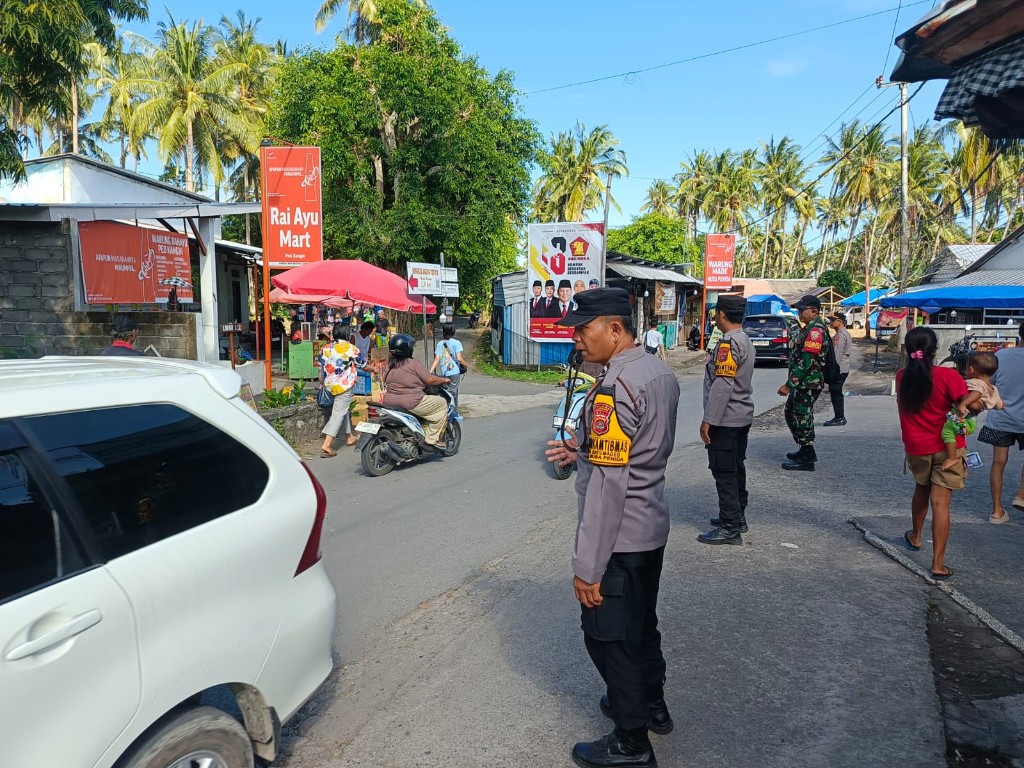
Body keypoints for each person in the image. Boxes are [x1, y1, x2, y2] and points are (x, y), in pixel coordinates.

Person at [543, 287, 680, 768]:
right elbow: (634, 451)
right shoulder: (657, 371)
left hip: (618, 537)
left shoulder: (613, 388)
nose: (576, 340)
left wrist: (588, 567)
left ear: (615, 329)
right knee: (641, 625)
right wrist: (581, 450)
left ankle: (631, 741)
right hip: (650, 527)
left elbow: (607, 486)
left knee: (609, 637)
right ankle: (652, 705)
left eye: (583, 330)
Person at [898, 326, 967, 581]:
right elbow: (966, 405)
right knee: (941, 504)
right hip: (948, 448)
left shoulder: (902, 377)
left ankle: (916, 536)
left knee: (921, 488)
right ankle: (938, 564)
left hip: (917, 446)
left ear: (908, 350)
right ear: (935, 350)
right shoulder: (949, 376)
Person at [698, 295, 755, 544]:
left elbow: (723, 385)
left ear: (721, 314)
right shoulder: (744, 339)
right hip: (740, 416)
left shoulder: (728, 343)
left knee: (724, 471)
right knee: (736, 467)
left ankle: (730, 527)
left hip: (726, 419)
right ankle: (737, 516)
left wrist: (708, 420)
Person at [978, 323, 1024, 523]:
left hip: (1001, 417)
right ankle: (1021, 495)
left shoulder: (1001, 356)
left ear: (1019, 334)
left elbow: (989, 384)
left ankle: (996, 511)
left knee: (998, 462)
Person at [778, 295, 830, 471]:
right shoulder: (808, 328)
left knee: (802, 416)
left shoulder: (816, 331)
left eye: (802, 310)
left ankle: (807, 456)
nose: (799, 313)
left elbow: (807, 362)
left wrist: (789, 384)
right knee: (791, 413)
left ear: (814, 311)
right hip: (802, 382)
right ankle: (803, 449)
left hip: (808, 382)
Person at [381, 334, 451, 447]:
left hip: (389, 402)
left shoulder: (389, 364)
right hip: (411, 402)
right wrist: (444, 379)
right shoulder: (412, 363)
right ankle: (431, 439)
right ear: (407, 349)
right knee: (442, 403)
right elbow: (430, 379)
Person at [939, 352, 1002, 471]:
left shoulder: (975, 383)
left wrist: (963, 403)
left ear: (971, 369)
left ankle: (952, 457)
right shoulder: (993, 388)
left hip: (963, 419)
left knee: (947, 432)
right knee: (951, 431)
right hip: (971, 422)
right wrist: (1001, 406)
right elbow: (998, 405)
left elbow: (976, 393)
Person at [319, 324, 362, 457]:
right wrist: (374, 369)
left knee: (343, 409)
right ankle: (327, 445)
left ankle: (349, 436)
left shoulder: (326, 348)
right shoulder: (351, 348)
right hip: (344, 385)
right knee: (338, 413)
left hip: (329, 384)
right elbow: (362, 364)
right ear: (347, 334)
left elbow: (321, 367)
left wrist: (322, 381)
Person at [430, 324, 466, 420]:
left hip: (444, 373)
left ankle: (454, 412)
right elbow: (459, 358)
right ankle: (451, 414)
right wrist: (466, 365)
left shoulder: (440, 344)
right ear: (453, 332)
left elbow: (437, 359)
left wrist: (430, 371)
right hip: (454, 372)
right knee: (452, 393)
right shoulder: (456, 343)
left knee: (449, 392)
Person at [822, 312, 852, 427]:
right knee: (835, 392)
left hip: (839, 369)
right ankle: (839, 417)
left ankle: (839, 417)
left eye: (833, 320)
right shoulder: (843, 333)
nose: (831, 322)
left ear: (840, 322)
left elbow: (836, 355)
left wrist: (832, 370)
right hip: (841, 368)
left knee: (836, 393)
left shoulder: (840, 336)